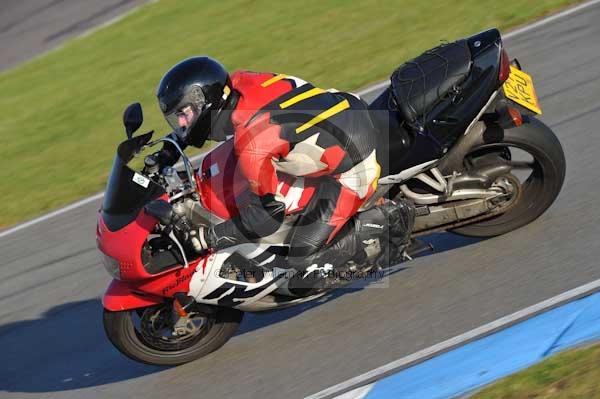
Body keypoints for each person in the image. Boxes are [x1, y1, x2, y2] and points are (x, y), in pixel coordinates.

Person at [153, 56, 415, 293]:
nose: (182, 123)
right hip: (343, 108)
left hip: (356, 161)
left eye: (184, 114)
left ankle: (388, 225)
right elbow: (207, 117)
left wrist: (207, 239)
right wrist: (167, 152)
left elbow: (266, 218)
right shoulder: (240, 81)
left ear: (205, 102)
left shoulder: (253, 142)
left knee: (300, 265)